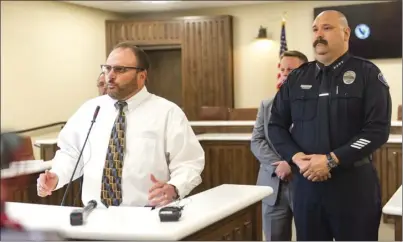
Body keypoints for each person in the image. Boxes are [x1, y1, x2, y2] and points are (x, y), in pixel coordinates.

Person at [267, 10, 391, 241]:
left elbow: (377, 129)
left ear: (346, 33)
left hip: (353, 186)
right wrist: (296, 157)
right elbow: (275, 125)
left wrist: (332, 159)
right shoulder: (297, 78)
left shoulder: (367, 74)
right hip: (307, 186)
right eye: (315, 29)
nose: (319, 34)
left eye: (327, 28)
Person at [36, 42, 205, 208]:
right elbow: (71, 153)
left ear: (142, 76)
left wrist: (175, 187)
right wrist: (57, 176)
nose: (110, 75)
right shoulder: (90, 110)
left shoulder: (167, 113)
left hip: (148, 216)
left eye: (120, 69)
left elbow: (189, 162)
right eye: (107, 68)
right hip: (95, 215)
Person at [251, 50, 307, 241]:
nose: (284, 74)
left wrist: (291, 164)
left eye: (290, 70)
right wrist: (279, 164)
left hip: (304, 184)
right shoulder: (267, 105)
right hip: (273, 184)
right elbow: (257, 141)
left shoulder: (316, 105)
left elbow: (318, 142)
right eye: (282, 69)